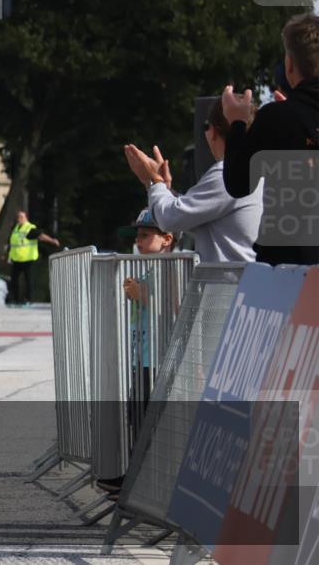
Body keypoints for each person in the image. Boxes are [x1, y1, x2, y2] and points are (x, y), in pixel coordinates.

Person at [221, 13, 319, 266]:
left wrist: (238, 123)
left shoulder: (277, 117)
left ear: (289, 65)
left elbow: (238, 184)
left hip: (287, 271)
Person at [124, 99, 263, 263]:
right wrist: (164, 189)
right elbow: (190, 217)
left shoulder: (227, 174)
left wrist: (154, 181)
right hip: (249, 283)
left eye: (205, 126)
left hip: (229, 287)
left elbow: (168, 219)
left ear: (212, 131)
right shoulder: (260, 171)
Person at [98, 209, 176, 498]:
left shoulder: (171, 267)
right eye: (138, 236)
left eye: (145, 236)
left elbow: (175, 310)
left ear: (167, 239)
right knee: (137, 417)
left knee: (149, 420)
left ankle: (144, 482)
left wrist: (143, 295)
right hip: (141, 356)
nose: (139, 242)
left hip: (156, 359)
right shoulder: (148, 268)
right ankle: (135, 476)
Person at [6, 210, 60, 305]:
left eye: (22, 217)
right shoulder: (16, 228)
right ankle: (15, 299)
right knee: (14, 280)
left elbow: (41, 236)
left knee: (28, 280)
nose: (19, 218)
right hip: (16, 259)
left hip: (27, 259)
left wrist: (52, 240)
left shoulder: (29, 228)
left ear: (26, 217)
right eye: (18, 217)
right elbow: (12, 243)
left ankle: (28, 299)